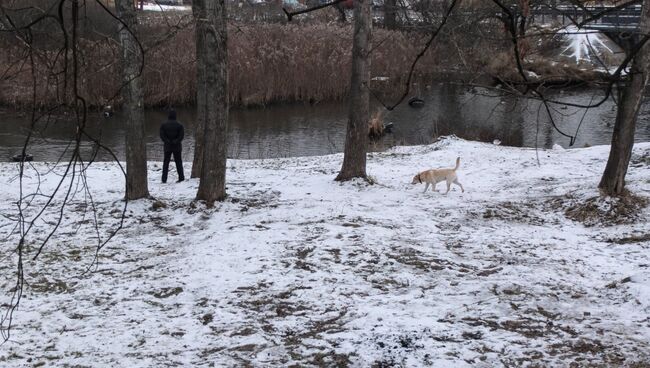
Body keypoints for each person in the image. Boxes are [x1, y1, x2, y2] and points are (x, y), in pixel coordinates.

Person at [159, 109, 185, 183]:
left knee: (166, 163)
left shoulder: (163, 125)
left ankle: (164, 179)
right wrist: (175, 141)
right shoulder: (179, 125)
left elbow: (162, 135)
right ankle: (181, 177)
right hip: (177, 146)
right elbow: (181, 136)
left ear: (168, 116)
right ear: (175, 116)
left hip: (167, 146)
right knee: (178, 162)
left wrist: (167, 141)